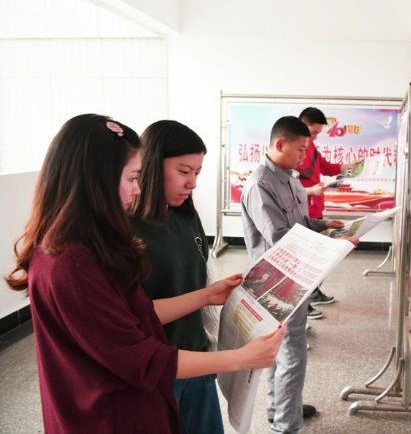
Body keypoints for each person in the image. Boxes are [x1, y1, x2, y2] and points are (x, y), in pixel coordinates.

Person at [5, 114, 284, 433]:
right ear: (97, 179)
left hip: (136, 401)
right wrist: (241, 358)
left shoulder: (88, 246)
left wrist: (207, 295)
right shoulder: (72, 263)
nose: (137, 190)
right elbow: (142, 358)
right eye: (132, 178)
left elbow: (136, 315)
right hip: (113, 413)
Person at [241, 116, 357, 433]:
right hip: (277, 283)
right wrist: (330, 246)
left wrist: (324, 226)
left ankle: (281, 409)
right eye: (302, 150)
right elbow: (280, 238)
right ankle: (284, 426)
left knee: (284, 352)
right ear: (280, 144)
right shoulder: (261, 184)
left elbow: (299, 225)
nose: (305, 158)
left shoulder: (290, 178)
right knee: (292, 354)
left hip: (297, 275)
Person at [129, 119, 236, 433]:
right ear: (150, 165)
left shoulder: (185, 215)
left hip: (197, 361)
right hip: (156, 372)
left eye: (198, 173)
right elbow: (130, 316)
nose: (192, 184)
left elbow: (197, 281)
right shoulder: (126, 228)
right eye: (183, 171)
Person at [297, 107, 351, 315]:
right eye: (313, 132)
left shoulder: (312, 148)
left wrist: (350, 166)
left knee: (316, 258)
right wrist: (310, 190)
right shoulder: (297, 150)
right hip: (304, 211)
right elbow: (288, 186)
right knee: (305, 260)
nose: (315, 137)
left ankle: (312, 293)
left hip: (316, 209)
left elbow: (327, 168)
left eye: (318, 133)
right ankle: (304, 304)